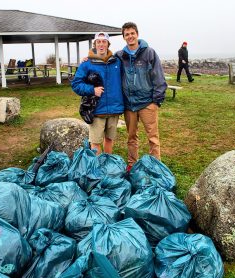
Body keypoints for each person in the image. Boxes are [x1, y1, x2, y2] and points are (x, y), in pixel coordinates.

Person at [116, 22, 167, 171]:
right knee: (131, 137)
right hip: (129, 104)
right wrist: (89, 57)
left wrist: (156, 101)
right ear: (124, 37)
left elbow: (159, 77)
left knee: (153, 137)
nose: (130, 36)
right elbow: (105, 62)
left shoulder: (149, 53)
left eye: (132, 33)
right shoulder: (120, 56)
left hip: (147, 103)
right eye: (127, 34)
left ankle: (156, 166)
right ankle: (132, 164)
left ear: (137, 34)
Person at [71, 32, 124, 155]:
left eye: (104, 41)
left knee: (109, 139)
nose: (101, 44)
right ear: (94, 44)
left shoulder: (117, 62)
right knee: (95, 142)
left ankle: (107, 164)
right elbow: (76, 84)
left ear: (108, 44)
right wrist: (92, 90)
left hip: (114, 109)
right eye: (98, 42)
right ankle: (97, 170)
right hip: (96, 110)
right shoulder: (87, 64)